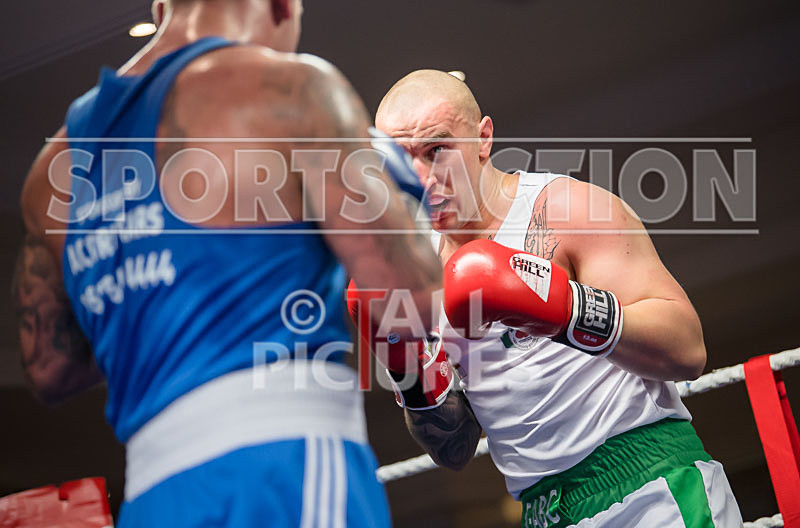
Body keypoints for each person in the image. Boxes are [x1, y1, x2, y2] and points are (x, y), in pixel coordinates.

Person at [13, 1, 442, 525]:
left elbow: (48, 368)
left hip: (152, 495)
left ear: (161, 9)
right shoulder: (291, 88)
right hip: (284, 468)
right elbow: (414, 302)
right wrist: (401, 197)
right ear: (284, 7)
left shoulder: (52, 168)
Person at [370, 69, 743, 527]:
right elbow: (455, 450)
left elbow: (687, 349)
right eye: (400, 161)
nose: (421, 178)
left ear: (483, 139)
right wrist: (408, 368)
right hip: (542, 511)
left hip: (649, 486)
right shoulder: (414, 275)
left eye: (436, 150)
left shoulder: (566, 210)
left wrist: (563, 311)